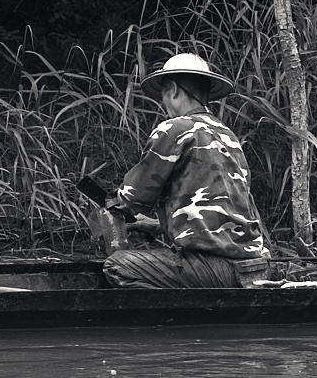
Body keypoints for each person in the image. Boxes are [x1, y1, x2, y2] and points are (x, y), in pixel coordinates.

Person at [100, 52, 269, 289]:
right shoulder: (228, 137)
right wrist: (155, 224)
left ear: (173, 89)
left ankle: (182, 311)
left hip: (213, 268)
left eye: (163, 93)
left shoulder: (175, 129)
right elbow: (220, 213)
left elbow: (131, 200)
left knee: (116, 265)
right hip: (251, 265)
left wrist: (109, 205)